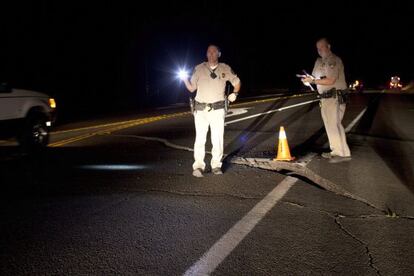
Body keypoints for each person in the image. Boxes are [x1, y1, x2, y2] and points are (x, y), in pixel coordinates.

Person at [182, 45, 241, 177]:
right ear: (206, 54)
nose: (211, 54)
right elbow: (192, 88)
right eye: (209, 52)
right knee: (200, 139)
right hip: (201, 109)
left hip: (218, 109)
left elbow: (237, 83)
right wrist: (184, 79)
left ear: (219, 54)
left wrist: (235, 94)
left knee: (217, 138)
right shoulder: (198, 69)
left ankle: (216, 165)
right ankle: (198, 166)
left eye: (214, 52)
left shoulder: (225, 68)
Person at [302, 38, 351, 161]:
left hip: (334, 96)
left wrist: (313, 80)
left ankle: (342, 153)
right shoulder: (319, 61)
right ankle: (336, 150)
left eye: (321, 47)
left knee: (334, 124)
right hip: (325, 98)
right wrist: (308, 79)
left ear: (328, 46)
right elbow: (314, 77)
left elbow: (331, 80)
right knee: (329, 125)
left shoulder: (333, 60)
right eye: (317, 48)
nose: (319, 50)